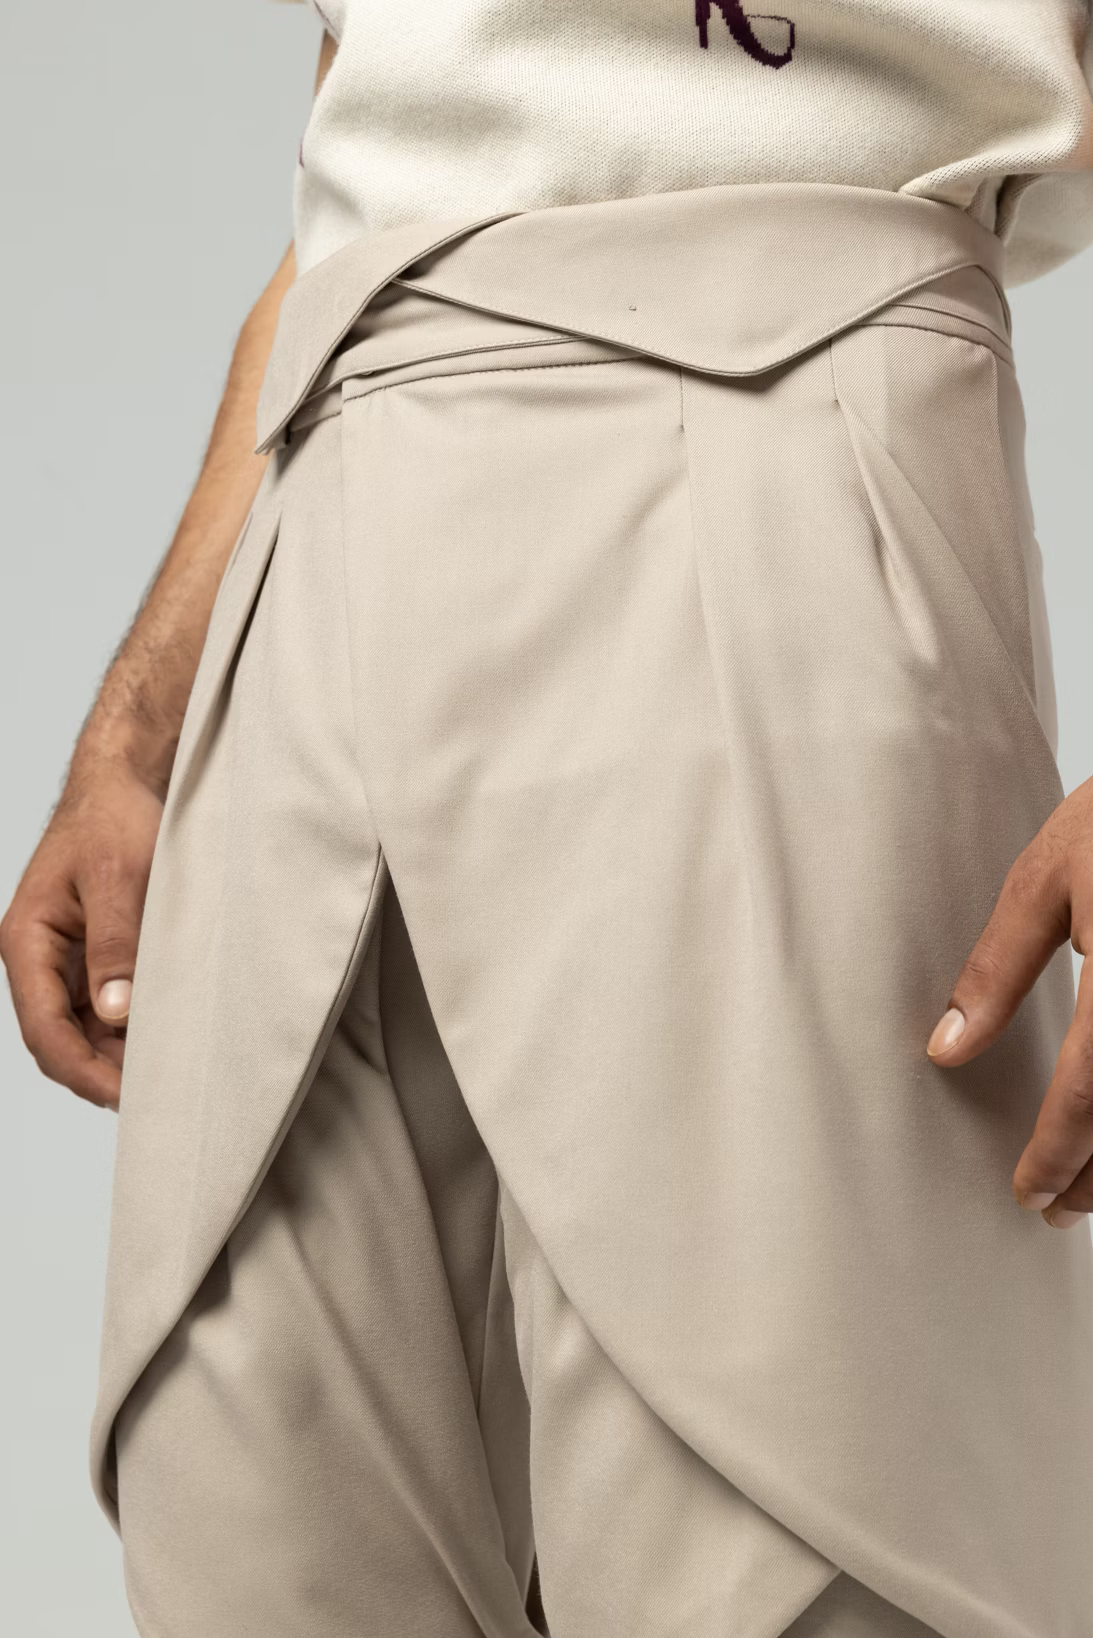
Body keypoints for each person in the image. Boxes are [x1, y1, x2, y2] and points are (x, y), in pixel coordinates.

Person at [3, 3, 1093, 1634]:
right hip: (322, 524)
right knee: (252, 1525)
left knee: (808, 1524)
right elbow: (373, 154)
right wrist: (143, 727)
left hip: (789, 462)